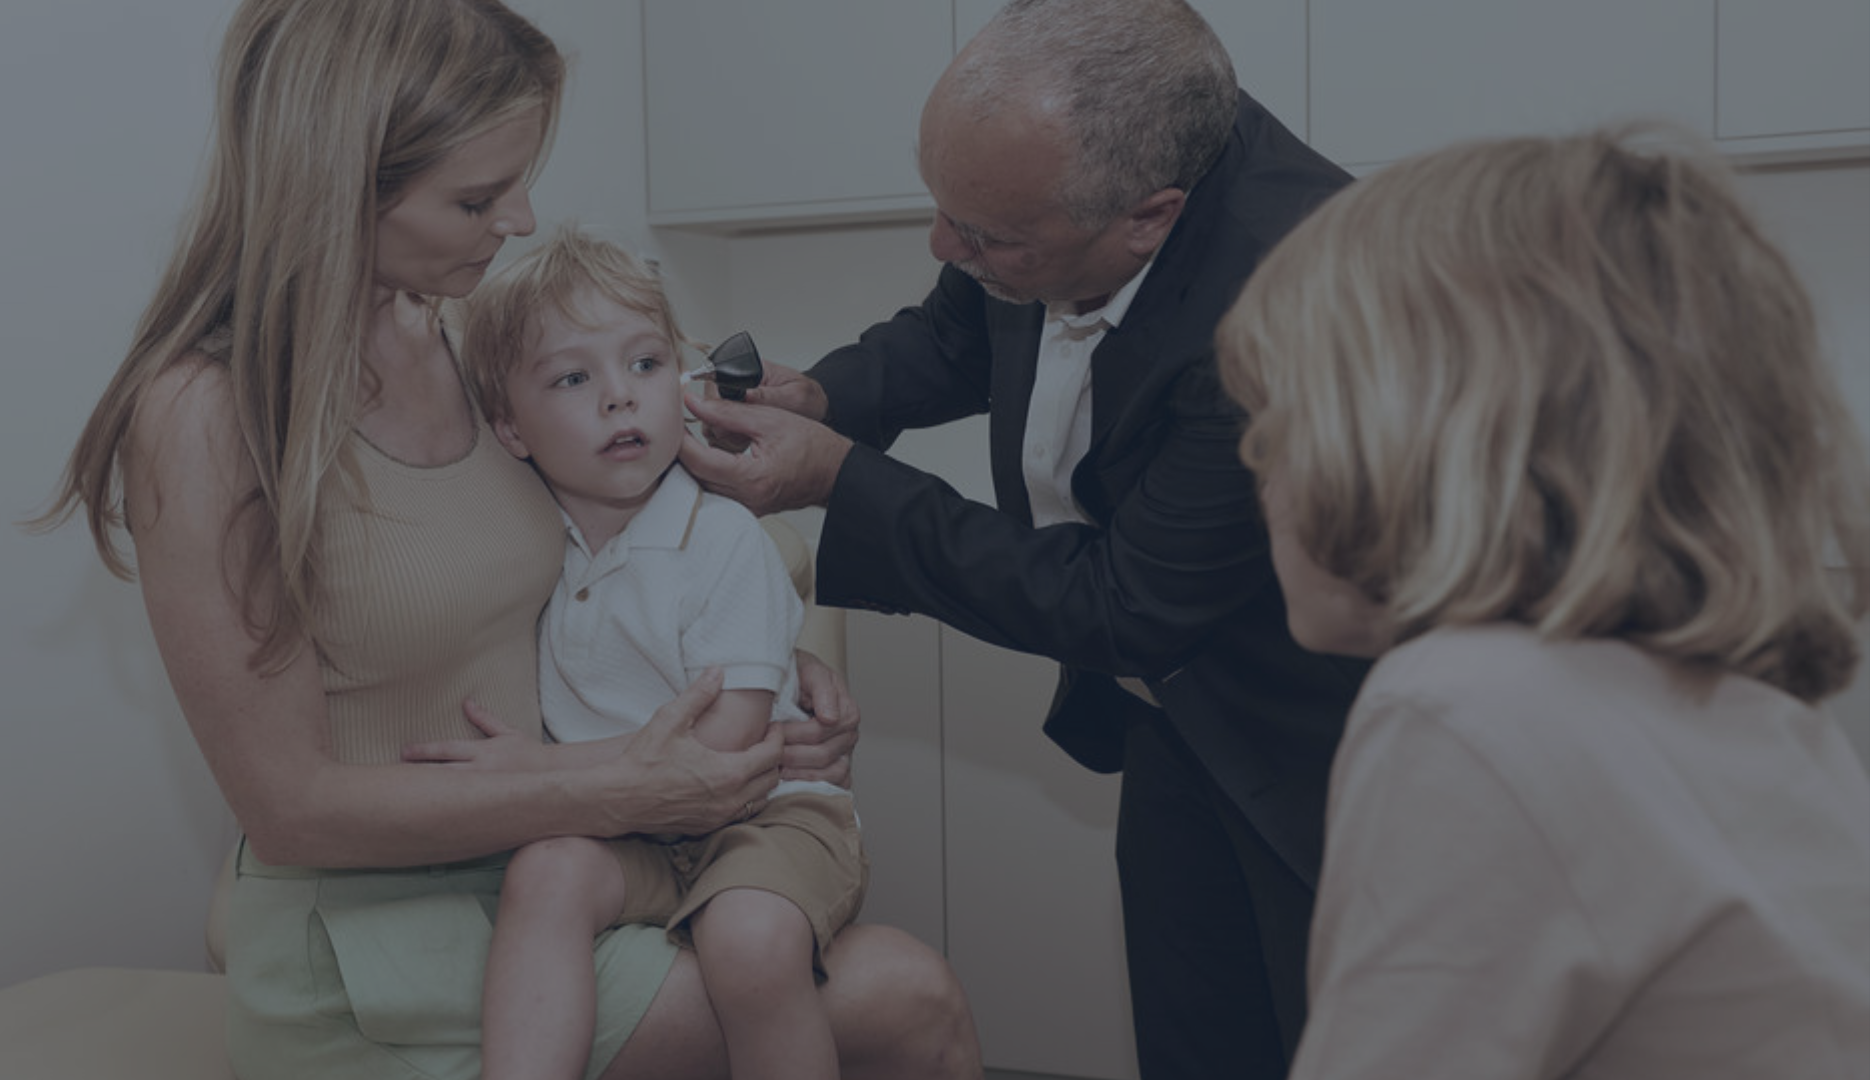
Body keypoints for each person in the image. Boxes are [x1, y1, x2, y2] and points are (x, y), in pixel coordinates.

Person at [31, 1, 979, 1077]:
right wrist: (630, 780)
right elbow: (291, 808)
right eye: (477, 198)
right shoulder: (209, 414)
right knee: (907, 1000)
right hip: (386, 934)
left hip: (559, 861)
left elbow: (534, 576)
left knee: (895, 988)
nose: (521, 218)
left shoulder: (450, 333)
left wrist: (756, 664)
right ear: (341, 186)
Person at [680, 0, 1372, 1075]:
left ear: (1150, 216)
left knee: (1324, 1045)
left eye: (987, 235)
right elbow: (961, 326)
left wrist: (842, 480)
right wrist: (826, 397)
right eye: (947, 211)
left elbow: (1122, 604)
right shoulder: (1055, 187)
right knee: (1195, 1040)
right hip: (1175, 721)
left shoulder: (1285, 307)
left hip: (1313, 742)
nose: (945, 248)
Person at [1216, 124, 1870, 1079]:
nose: (1257, 469)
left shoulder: (1469, 706)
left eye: (1276, 426)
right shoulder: (1747, 706)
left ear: (1419, 441)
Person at [442, 226, 864, 1080]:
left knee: (747, 939)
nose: (619, 399)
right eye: (572, 378)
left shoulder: (723, 542)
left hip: (762, 813)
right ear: (510, 430)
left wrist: (537, 771)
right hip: (633, 827)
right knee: (546, 873)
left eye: (645, 365)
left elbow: (728, 740)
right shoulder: (534, 547)